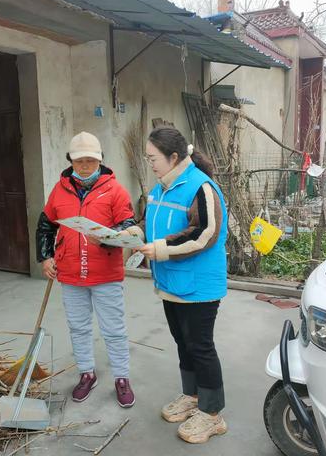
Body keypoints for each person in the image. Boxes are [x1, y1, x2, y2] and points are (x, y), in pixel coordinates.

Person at [126, 126, 228, 443]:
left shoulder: (201, 188)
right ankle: (193, 397)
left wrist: (160, 249)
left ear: (173, 157)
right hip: (171, 282)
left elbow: (205, 234)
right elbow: (149, 220)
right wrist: (135, 233)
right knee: (183, 343)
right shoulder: (161, 188)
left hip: (199, 286)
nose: (150, 164)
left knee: (200, 346)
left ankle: (212, 415)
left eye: (153, 158)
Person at [36, 131, 136, 408]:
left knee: (113, 329)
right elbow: (46, 225)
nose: (84, 166)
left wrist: (107, 235)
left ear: (100, 160)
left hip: (105, 273)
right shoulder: (60, 189)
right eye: (79, 161)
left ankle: (121, 378)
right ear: (70, 160)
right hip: (69, 273)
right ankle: (86, 373)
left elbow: (129, 226)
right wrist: (45, 257)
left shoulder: (115, 190)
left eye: (90, 160)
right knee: (78, 328)